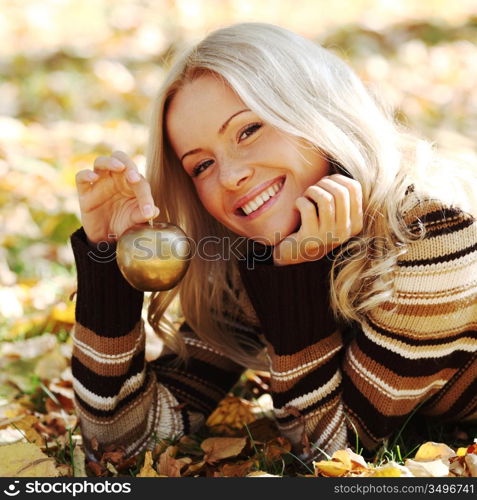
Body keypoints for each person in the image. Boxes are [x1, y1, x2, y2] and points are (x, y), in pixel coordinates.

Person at [70, 22, 477, 465]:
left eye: (248, 131)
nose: (229, 176)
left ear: (314, 112)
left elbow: (334, 455)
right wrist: (107, 256)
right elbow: (122, 445)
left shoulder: (430, 232)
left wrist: (297, 275)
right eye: (202, 165)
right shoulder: (258, 257)